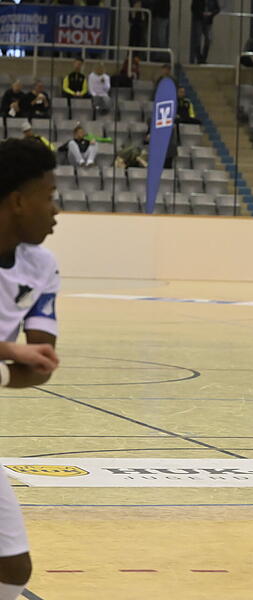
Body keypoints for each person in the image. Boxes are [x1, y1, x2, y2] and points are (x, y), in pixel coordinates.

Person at [0, 137, 63, 600]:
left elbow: (41, 361)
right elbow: (23, 357)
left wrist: (9, 363)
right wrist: (9, 352)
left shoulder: (41, 266)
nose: (56, 212)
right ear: (18, 201)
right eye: (50, 195)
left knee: (13, 569)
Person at [190, 0, 221, 65]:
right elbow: (193, 8)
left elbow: (217, 9)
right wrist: (201, 13)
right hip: (198, 19)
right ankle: (199, 58)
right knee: (197, 39)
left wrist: (211, 14)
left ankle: (203, 58)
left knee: (208, 40)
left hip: (208, 21)